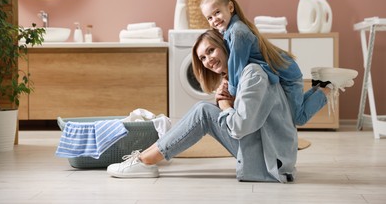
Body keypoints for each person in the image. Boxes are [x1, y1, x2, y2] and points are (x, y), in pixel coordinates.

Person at [107, 29, 298, 183]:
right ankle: (142, 158)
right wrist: (228, 101)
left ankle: (145, 161)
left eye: (211, 50)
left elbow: (240, 127)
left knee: (203, 111)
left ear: (225, 46)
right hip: (267, 154)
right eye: (203, 58)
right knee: (205, 109)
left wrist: (224, 105)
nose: (208, 60)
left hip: (270, 163)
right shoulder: (241, 76)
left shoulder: (253, 73)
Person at [200, 0, 358, 126]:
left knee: (298, 117)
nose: (214, 19)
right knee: (296, 109)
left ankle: (327, 86)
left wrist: (232, 94)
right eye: (210, 18)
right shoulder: (230, 30)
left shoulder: (238, 32)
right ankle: (323, 83)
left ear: (230, 7)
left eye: (217, 12)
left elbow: (237, 66)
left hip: (286, 74)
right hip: (283, 71)